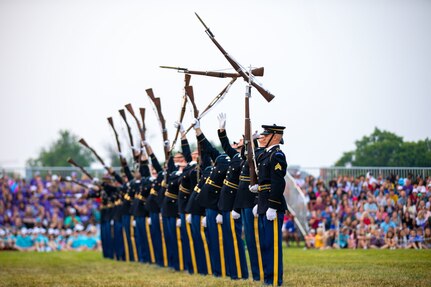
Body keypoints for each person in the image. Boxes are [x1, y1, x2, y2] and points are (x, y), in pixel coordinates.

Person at [254, 124, 287, 286]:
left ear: (275, 137)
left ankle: (274, 280)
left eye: (265, 135)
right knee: (265, 244)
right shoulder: (265, 155)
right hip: (263, 203)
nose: (262, 137)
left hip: (272, 205)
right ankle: (267, 278)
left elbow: (278, 182)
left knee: (272, 244)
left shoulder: (277, 155)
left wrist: (273, 206)